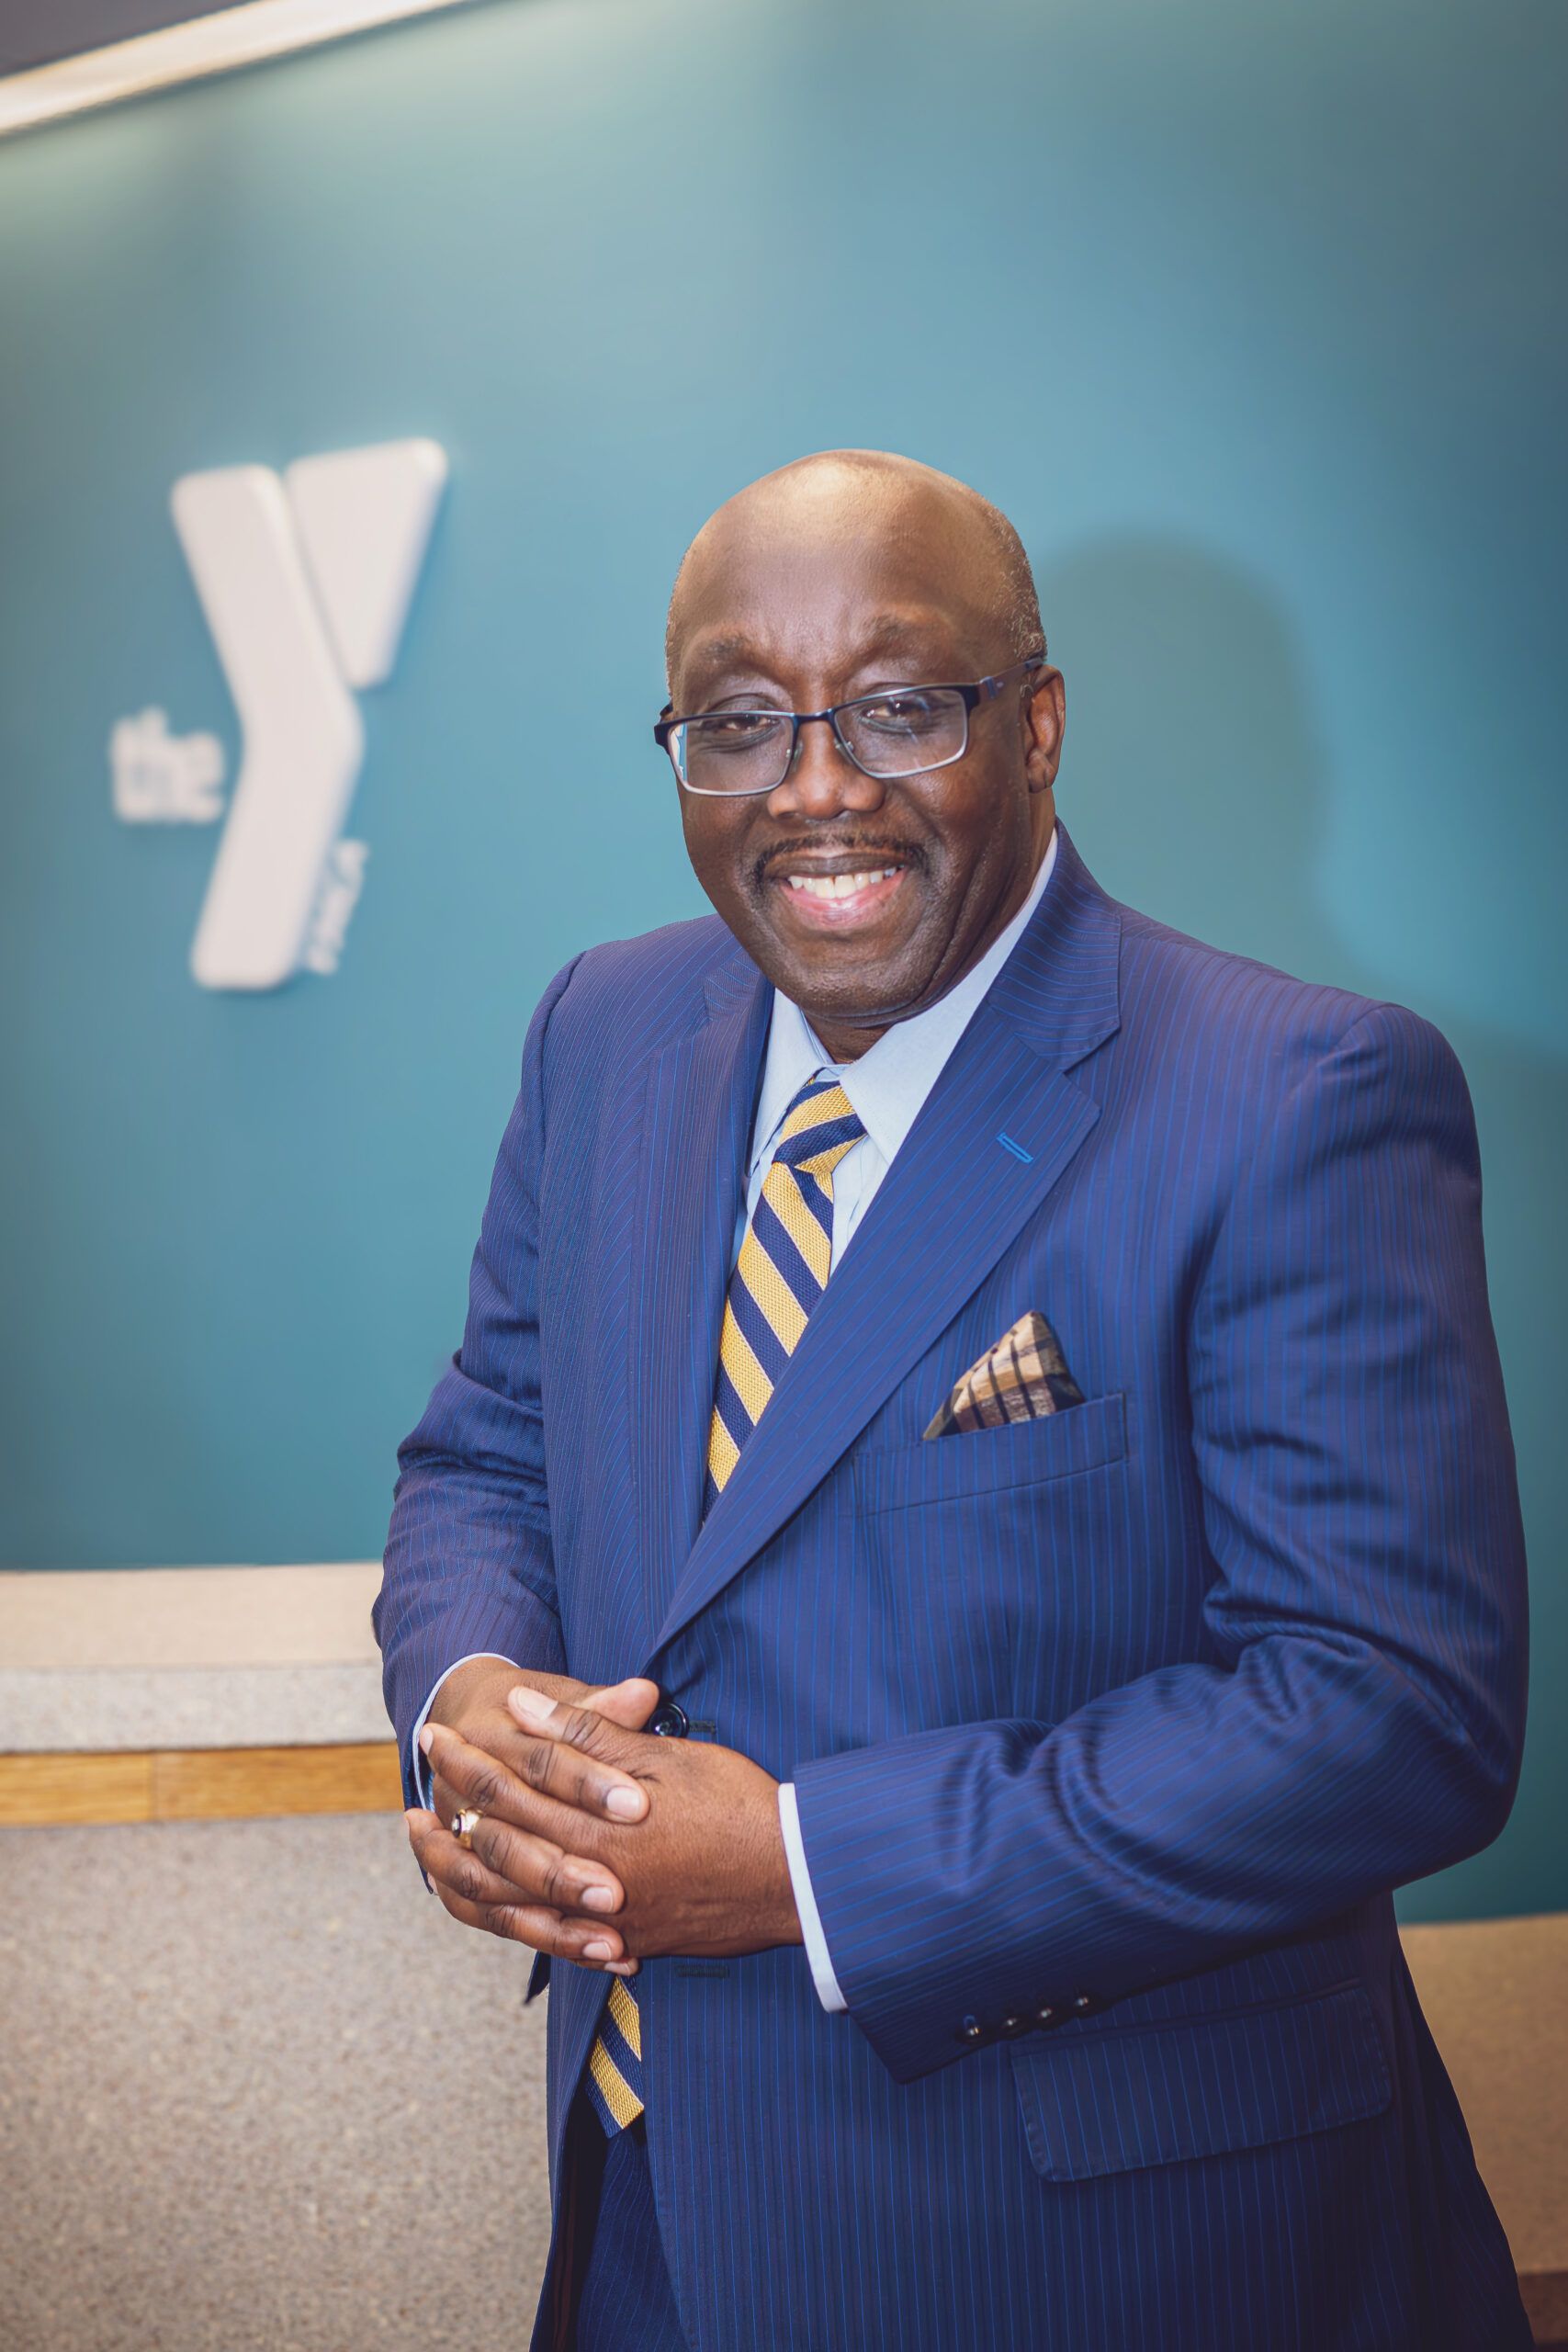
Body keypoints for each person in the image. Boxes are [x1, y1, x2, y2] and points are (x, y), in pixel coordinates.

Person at [374, 450, 1531, 2351]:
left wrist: (806, 1867)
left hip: (1114, 2260)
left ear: (1039, 721)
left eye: (899, 705)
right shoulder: (602, 1028)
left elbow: (1390, 1711)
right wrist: (472, 1697)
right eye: (738, 722)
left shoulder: (1294, 1094)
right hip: (651, 2218)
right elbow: (489, 1444)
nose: (815, 786)